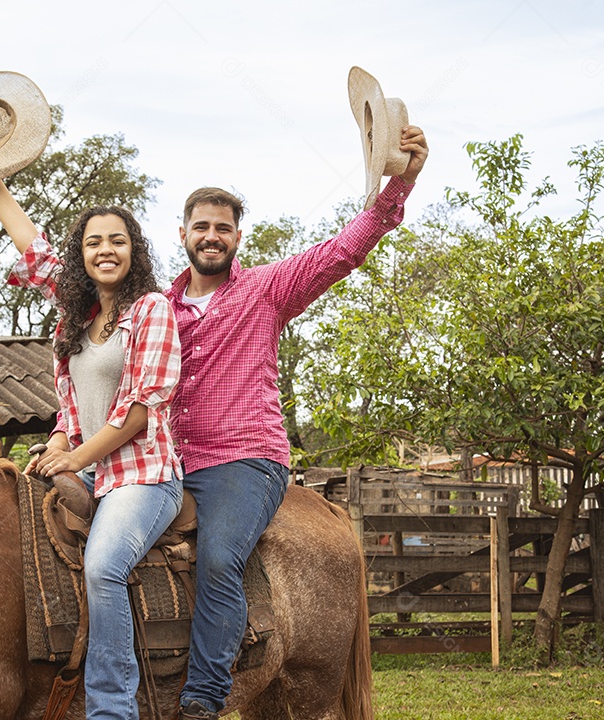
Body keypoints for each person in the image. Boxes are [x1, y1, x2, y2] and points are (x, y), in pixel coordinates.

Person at [170, 125, 429, 719]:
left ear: (238, 237)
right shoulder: (159, 306)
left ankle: (204, 700)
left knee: (217, 559)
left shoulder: (266, 290)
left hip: (245, 460)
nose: (212, 237)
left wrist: (402, 181)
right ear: (182, 234)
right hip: (171, 461)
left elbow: (342, 251)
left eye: (223, 228)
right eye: (202, 227)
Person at [0, 180, 184, 720]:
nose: (105, 251)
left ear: (134, 250)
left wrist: (76, 458)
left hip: (143, 474)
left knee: (102, 567)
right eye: (93, 242)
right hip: (89, 466)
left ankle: (112, 708)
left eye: (117, 240)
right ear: (82, 256)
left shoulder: (152, 310)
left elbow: (142, 409)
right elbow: (34, 250)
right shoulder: (76, 318)